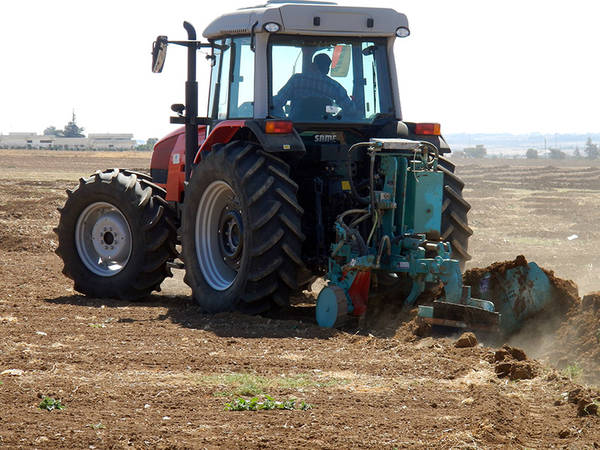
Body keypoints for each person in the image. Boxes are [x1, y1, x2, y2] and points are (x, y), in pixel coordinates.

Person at [272, 53, 353, 118]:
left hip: (297, 126)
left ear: (313, 65)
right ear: (328, 69)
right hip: (325, 127)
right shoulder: (334, 86)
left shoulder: (297, 80)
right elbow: (349, 109)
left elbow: (278, 102)